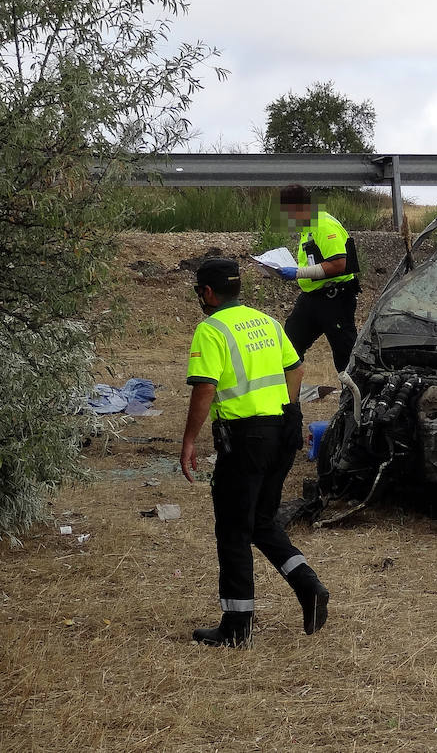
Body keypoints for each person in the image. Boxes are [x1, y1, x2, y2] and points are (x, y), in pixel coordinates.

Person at [180, 257, 330, 646]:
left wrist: (189, 441)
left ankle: (236, 627)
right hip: (282, 430)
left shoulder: (210, 329)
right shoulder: (266, 321)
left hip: (245, 438)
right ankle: (308, 587)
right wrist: (291, 410)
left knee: (233, 528)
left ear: (208, 292)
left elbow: (205, 388)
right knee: (261, 521)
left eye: (199, 291)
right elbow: (295, 369)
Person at [277, 183, 360, 373]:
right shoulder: (307, 227)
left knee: (344, 355)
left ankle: (353, 399)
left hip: (335, 299)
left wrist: (298, 273)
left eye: (288, 212)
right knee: (288, 348)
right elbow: (314, 261)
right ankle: (289, 401)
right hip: (311, 298)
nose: (287, 217)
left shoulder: (322, 224)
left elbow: (339, 264)